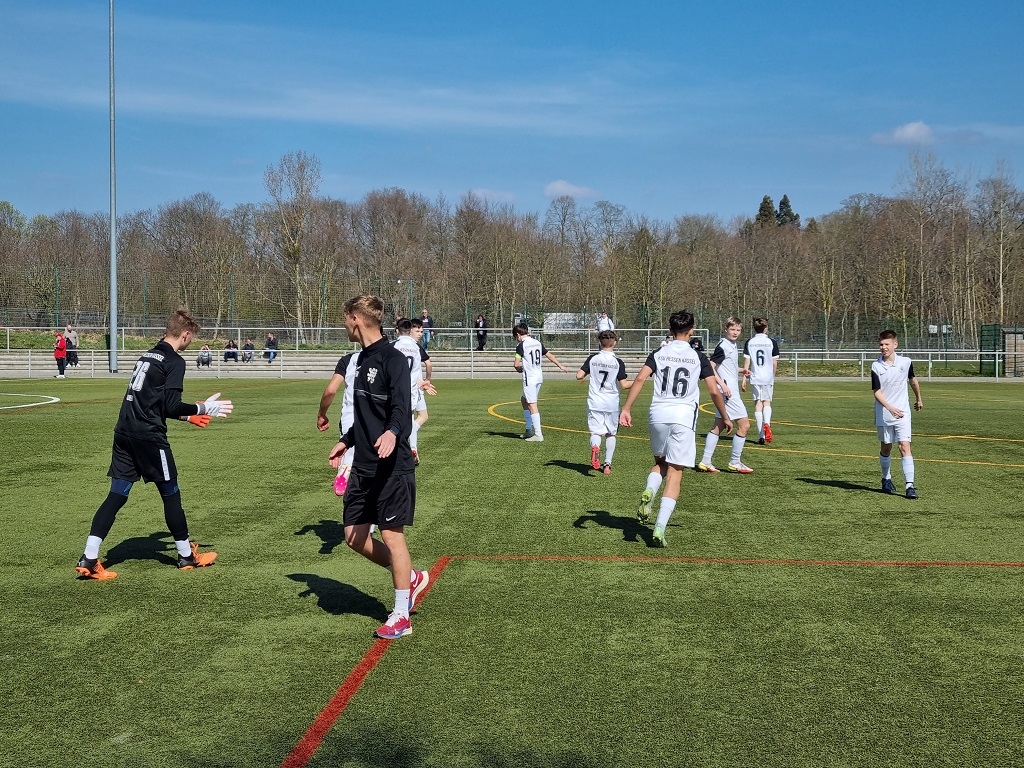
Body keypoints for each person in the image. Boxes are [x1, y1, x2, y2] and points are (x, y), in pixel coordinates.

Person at [74, 309, 234, 580]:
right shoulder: (175, 361)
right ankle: (186, 555)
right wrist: (205, 407)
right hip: (149, 438)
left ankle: (89, 557)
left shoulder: (147, 355)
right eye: (191, 337)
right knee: (171, 493)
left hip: (124, 433)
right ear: (185, 334)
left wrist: (188, 416)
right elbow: (170, 405)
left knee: (117, 495)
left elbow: (152, 403)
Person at [328, 295, 430, 640]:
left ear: (355, 318)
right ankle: (410, 577)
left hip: (392, 465)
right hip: (363, 464)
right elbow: (364, 416)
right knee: (354, 537)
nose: (344, 325)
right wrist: (346, 440)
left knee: (391, 535)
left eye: (345, 318)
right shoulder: (358, 360)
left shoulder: (393, 359)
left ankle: (401, 615)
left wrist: (393, 431)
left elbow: (401, 408)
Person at [619, 310, 730, 548]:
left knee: (660, 462)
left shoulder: (659, 353)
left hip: (658, 415)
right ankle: (659, 527)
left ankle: (650, 489)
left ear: (670, 331)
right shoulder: (697, 356)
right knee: (676, 472)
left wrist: (626, 408)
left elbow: (640, 379)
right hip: (683, 417)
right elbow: (713, 390)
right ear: (692, 331)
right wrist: (725, 416)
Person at [698, 316, 754, 474]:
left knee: (719, 425)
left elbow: (727, 366)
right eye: (732, 329)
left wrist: (742, 370)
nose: (735, 332)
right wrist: (722, 385)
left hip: (727, 391)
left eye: (738, 330)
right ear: (725, 329)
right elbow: (710, 366)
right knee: (744, 425)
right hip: (729, 392)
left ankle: (705, 461)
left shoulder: (731, 345)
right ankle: (735, 462)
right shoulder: (724, 346)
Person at [872, 329, 923, 499]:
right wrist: (889, 407)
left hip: (903, 413)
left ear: (895, 344)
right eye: (881, 344)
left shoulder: (906, 362)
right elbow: (877, 392)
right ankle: (886, 478)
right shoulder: (876, 366)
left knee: (904, 446)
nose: (883, 347)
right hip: (884, 413)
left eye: (887, 344)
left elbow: (912, 380)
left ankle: (910, 486)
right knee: (886, 447)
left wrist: (919, 398)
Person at [577, 330, 631, 474]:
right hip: (611, 402)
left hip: (595, 401)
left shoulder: (593, 358)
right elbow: (624, 385)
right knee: (611, 434)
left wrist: (589, 372)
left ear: (600, 343)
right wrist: (639, 382)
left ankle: (595, 447)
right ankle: (607, 465)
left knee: (596, 432)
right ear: (615, 343)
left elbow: (579, 375)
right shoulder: (618, 362)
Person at [513, 323, 569, 442]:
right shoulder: (537, 342)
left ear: (518, 334)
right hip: (539, 376)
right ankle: (528, 429)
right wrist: (560, 365)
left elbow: (516, 364)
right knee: (524, 400)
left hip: (530, 378)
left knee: (532, 404)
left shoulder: (521, 345)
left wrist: (519, 369)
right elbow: (549, 355)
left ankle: (538, 434)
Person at [317, 348, 361, 496]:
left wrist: (322, 414)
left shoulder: (348, 360)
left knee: (348, 448)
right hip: (377, 416)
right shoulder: (388, 358)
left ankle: (345, 467)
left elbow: (331, 390)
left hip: (350, 416)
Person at [393, 318, 437, 465]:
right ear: (409, 330)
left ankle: (409, 444)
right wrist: (427, 380)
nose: (420, 334)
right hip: (415, 389)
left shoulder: (394, 346)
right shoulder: (416, 347)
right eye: (417, 331)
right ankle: (410, 446)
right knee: (414, 419)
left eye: (421, 331)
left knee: (418, 418)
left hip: (406, 388)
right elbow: (428, 364)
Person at [742, 317, 779, 444]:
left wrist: (744, 379)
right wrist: (772, 376)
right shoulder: (772, 342)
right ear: (766, 328)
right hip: (767, 377)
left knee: (758, 404)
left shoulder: (750, 342)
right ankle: (767, 423)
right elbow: (774, 362)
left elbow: (747, 361)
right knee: (767, 402)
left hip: (755, 376)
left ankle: (761, 435)